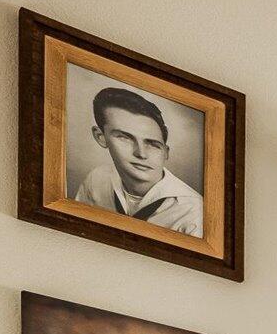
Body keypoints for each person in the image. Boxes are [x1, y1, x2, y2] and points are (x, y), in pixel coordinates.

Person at [70, 87, 204, 235]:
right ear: (100, 137)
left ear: (166, 152)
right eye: (125, 137)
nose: (141, 154)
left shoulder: (195, 213)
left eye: (153, 144)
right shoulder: (96, 180)